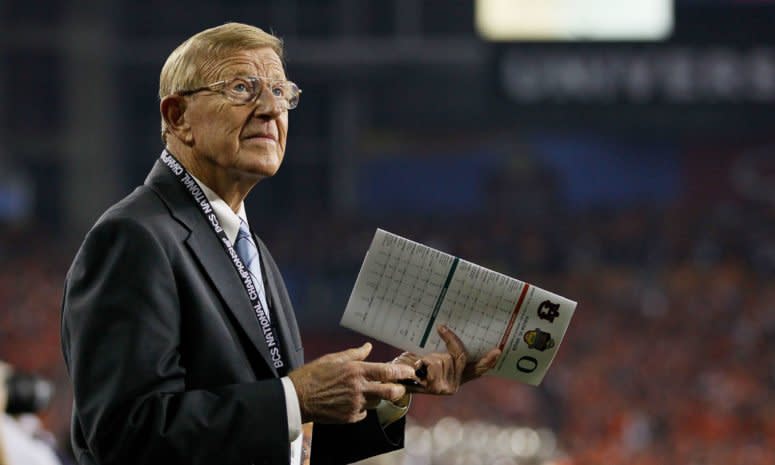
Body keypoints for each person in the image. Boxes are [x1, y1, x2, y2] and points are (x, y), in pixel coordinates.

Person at [60, 22, 501, 465]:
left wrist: (394, 387)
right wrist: (295, 396)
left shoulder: (250, 250)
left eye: (281, 91)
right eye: (242, 88)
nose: (271, 109)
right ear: (178, 117)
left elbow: (287, 446)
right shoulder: (135, 238)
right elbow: (124, 439)